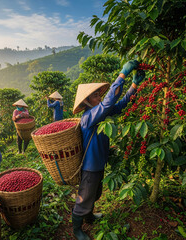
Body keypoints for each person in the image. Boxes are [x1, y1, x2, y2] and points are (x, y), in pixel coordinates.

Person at [71, 60, 145, 240]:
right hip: (90, 165)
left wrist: (134, 86)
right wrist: (122, 75)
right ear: (87, 101)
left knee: (96, 192)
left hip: (99, 162)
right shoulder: (89, 116)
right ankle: (77, 229)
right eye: (96, 96)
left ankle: (88, 216)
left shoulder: (100, 112)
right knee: (85, 196)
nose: (99, 98)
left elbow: (119, 105)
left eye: (99, 95)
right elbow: (108, 103)